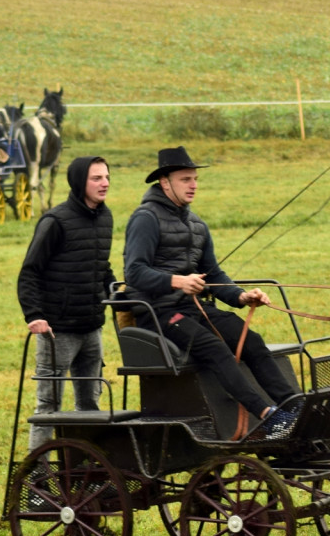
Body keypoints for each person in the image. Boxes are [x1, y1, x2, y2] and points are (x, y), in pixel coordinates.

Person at [123, 146, 302, 442]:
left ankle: (295, 407)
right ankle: (269, 418)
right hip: (159, 313)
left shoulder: (196, 224)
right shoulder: (145, 218)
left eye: (194, 179)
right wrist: (178, 281)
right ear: (164, 182)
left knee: (253, 342)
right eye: (185, 179)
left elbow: (214, 274)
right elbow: (134, 272)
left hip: (194, 310)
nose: (193, 185)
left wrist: (241, 296)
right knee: (215, 349)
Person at [17, 156, 115, 453]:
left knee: (90, 405)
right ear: (79, 182)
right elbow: (29, 271)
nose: (105, 183)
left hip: (92, 329)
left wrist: (117, 290)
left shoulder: (105, 217)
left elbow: (100, 266)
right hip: (57, 332)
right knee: (48, 407)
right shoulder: (55, 221)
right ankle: (37, 483)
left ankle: (85, 475)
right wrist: (34, 315)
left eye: (107, 177)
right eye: (96, 178)